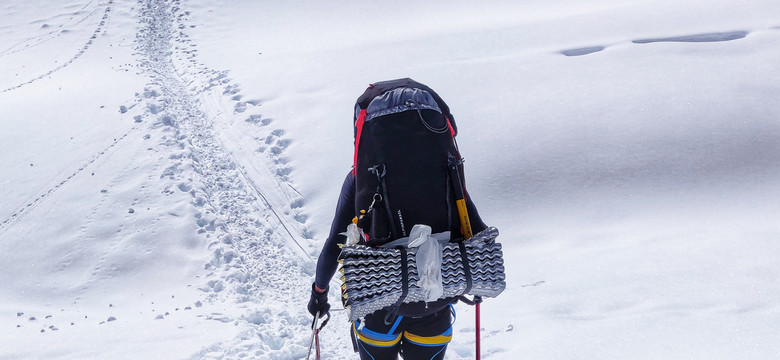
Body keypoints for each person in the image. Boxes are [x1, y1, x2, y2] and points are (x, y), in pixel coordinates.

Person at [308, 78, 487, 360]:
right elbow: (475, 229)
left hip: (377, 306)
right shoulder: (443, 172)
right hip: (434, 306)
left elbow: (335, 243)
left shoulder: (360, 179)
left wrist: (319, 292)